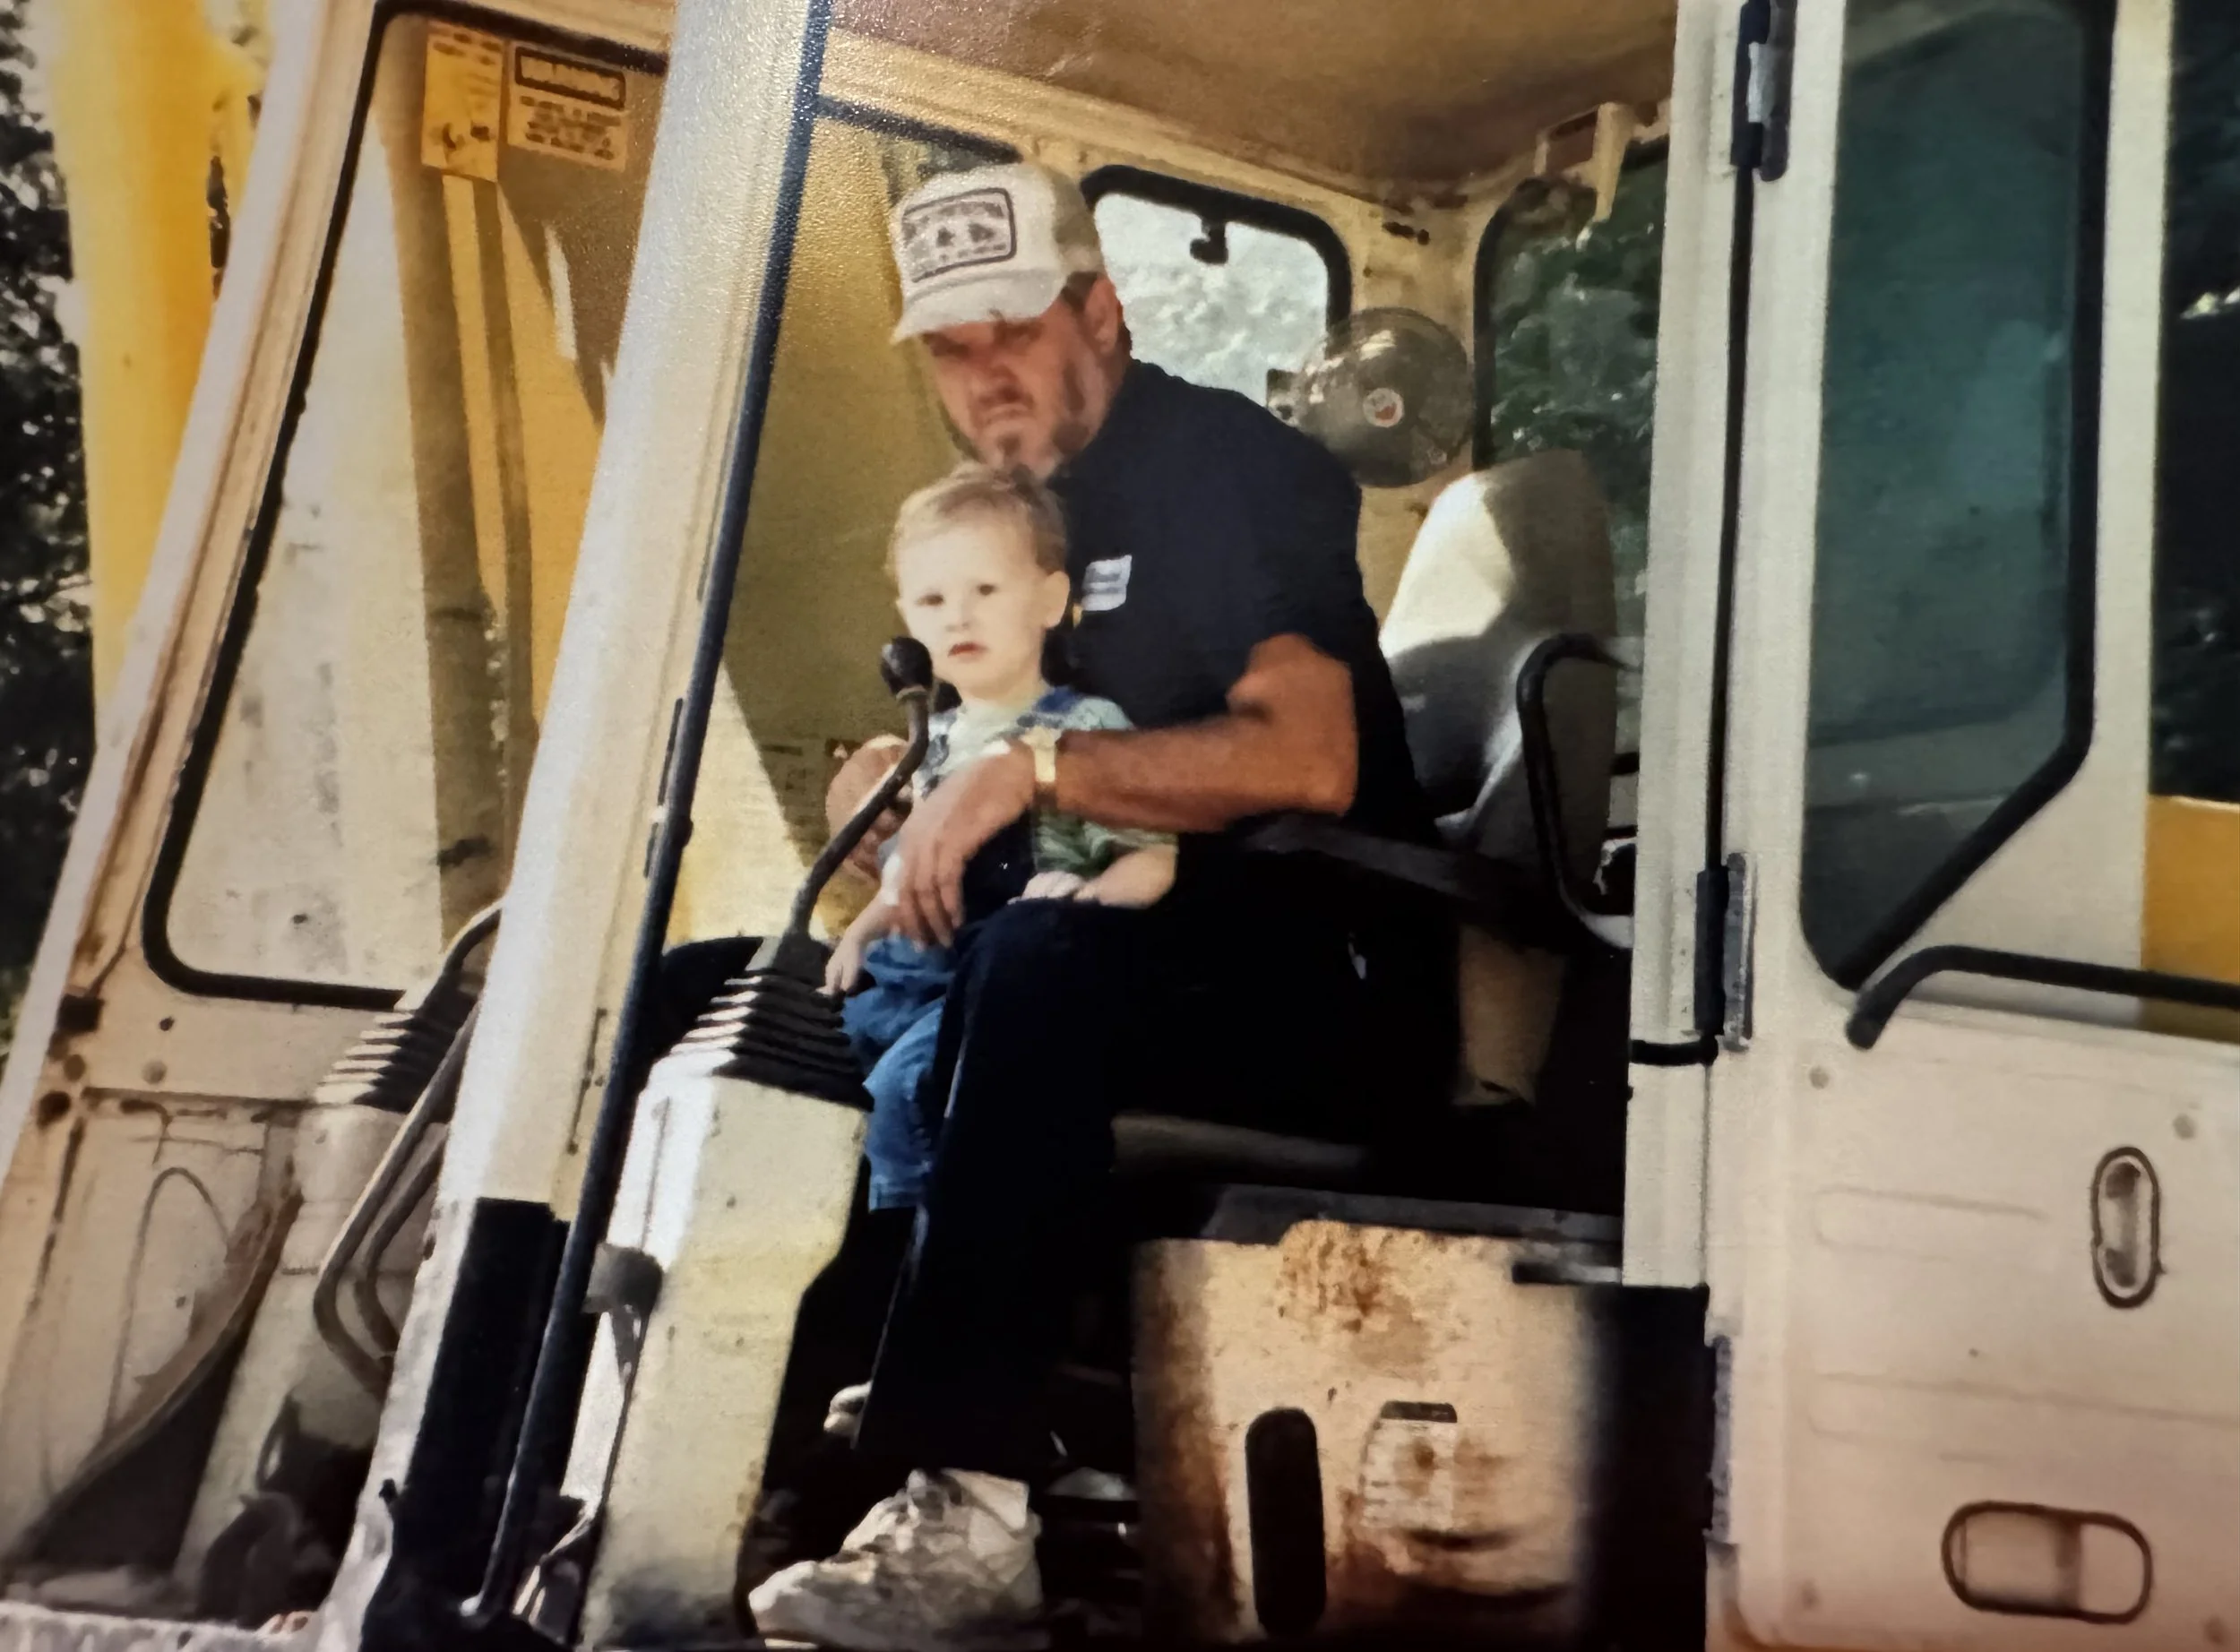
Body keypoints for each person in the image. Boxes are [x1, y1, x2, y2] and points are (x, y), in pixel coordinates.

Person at [746, 161, 1456, 1651]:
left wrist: (1026, 772)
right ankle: (749, 1461)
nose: (985, 372)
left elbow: (1311, 756)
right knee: (750, 988)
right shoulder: (1007, 525)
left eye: (1014, 329)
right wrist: (910, 799)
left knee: (1038, 959)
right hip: (1119, 951)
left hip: (1321, 968)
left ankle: (971, 1504)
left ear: (1101, 311)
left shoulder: (1231, 472)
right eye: (951, 348)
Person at [833, 462, 1175, 1213]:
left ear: (1051, 599)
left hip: (974, 997)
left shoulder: (1087, 731)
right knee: (805, 1084)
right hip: (895, 983)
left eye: (984, 591)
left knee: (901, 1100)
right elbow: (899, 882)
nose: (958, 617)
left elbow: (1152, 856)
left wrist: (1086, 898)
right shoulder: (927, 746)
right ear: (907, 621)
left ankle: (910, 1250)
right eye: (932, 599)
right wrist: (858, 933)